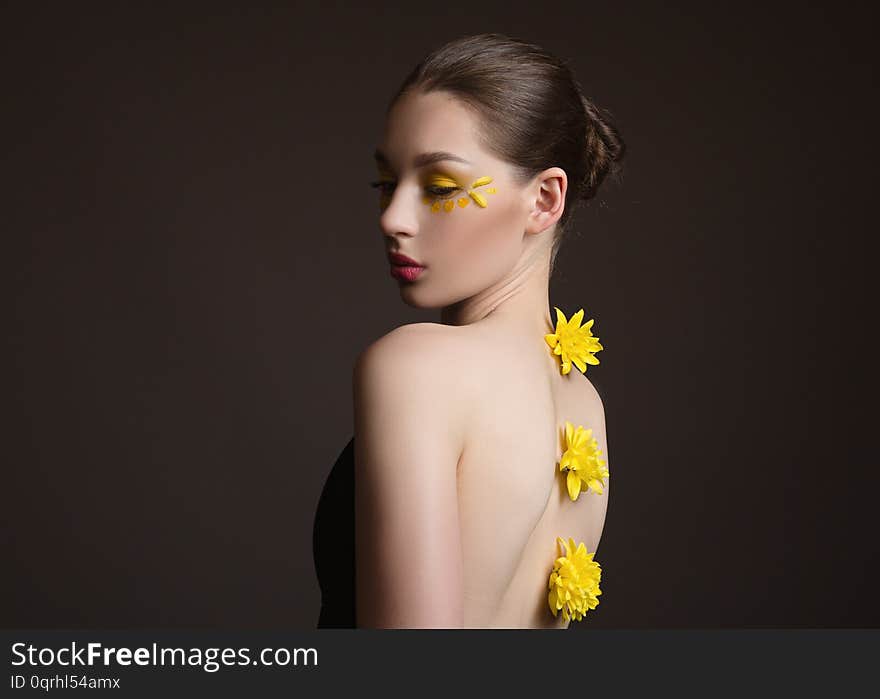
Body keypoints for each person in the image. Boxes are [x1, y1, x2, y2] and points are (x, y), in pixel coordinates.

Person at [312, 32, 625, 628]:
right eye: (386, 184)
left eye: (439, 188)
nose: (392, 218)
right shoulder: (583, 404)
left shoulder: (418, 366)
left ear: (543, 199)